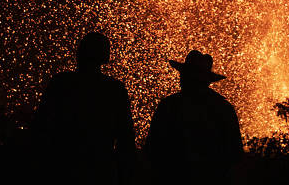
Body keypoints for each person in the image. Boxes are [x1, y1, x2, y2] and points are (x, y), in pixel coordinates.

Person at [36, 31, 136, 184]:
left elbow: (41, 126)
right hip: (100, 170)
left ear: (80, 52)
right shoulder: (114, 89)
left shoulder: (61, 84)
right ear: (105, 56)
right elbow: (126, 137)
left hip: (63, 168)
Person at [145, 50, 243, 185]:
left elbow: (152, 150)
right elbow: (235, 154)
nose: (180, 78)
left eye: (184, 74)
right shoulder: (223, 108)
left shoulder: (169, 106)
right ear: (207, 81)